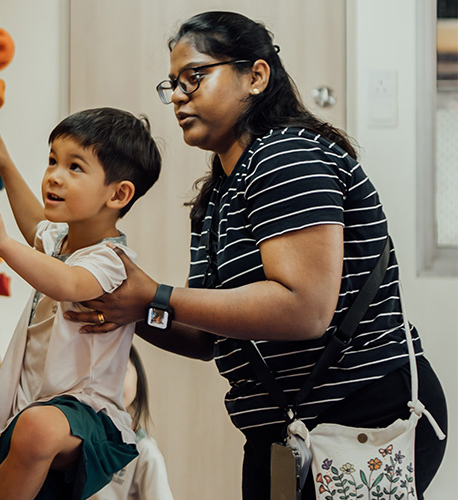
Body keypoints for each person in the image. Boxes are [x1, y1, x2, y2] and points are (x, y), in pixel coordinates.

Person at [64, 11, 448, 500]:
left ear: (256, 76)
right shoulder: (219, 193)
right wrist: (129, 309)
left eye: (195, 77)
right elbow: (207, 335)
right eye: (173, 84)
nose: (179, 95)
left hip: (361, 415)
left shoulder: (286, 156)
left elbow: (304, 309)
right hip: (286, 428)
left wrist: (155, 295)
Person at [0, 107, 162, 500]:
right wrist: (5, 167)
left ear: (119, 194)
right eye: (52, 160)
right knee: (29, 437)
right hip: (42, 406)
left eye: (75, 167)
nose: (54, 175)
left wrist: (3, 246)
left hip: (90, 412)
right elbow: (33, 226)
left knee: (38, 428)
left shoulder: (111, 261)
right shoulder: (60, 240)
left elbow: (66, 283)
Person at [90, 345, 174, 500]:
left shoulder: (145, 451)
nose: (112, 384)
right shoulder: (81, 439)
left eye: (121, 370)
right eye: (103, 373)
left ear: (138, 378)